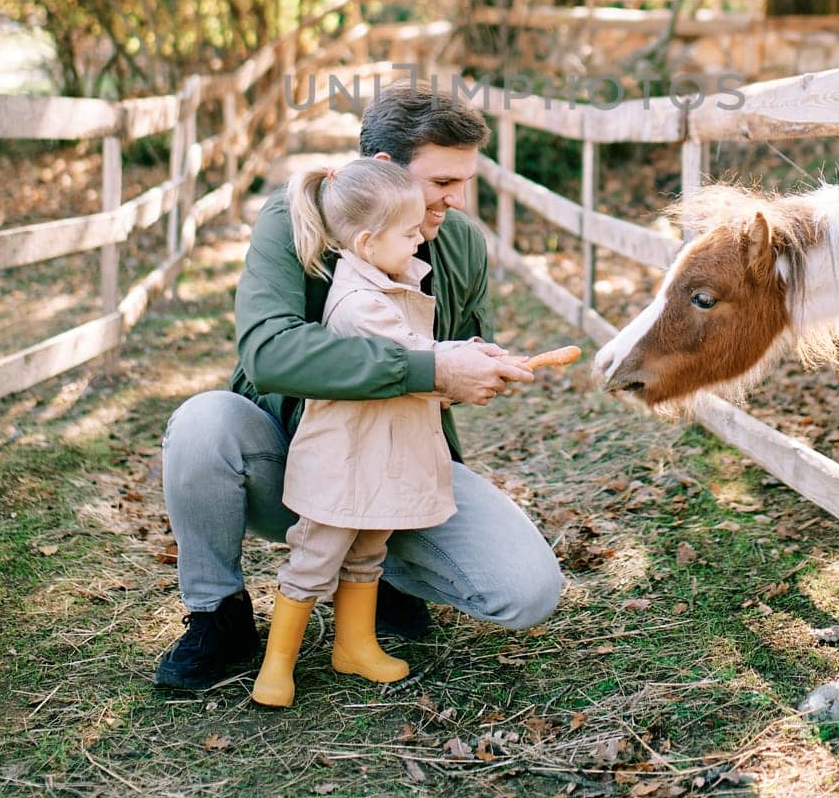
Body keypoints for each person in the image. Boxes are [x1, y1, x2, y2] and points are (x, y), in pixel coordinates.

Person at [155, 85, 564, 691]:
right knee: (201, 423)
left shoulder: (462, 242)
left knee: (529, 593)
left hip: (398, 461)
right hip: (294, 457)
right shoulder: (292, 219)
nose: (457, 199)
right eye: (442, 182)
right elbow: (268, 352)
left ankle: (382, 583)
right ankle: (218, 616)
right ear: (383, 170)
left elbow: (456, 350)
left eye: (463, 181)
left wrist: (480, 366)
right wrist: (430, 371)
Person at [253, 158, 492, 706]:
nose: (418, 243)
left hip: (381, 454)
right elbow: (414, 355)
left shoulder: (387, 279)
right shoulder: (362, 305)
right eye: (408, 234)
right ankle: (276, 664)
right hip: (343, 461)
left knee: (367, 552)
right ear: (365, 242)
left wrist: (472, 353)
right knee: (314, 558)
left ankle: (354, 646)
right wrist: (460, 363)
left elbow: (429, 352)